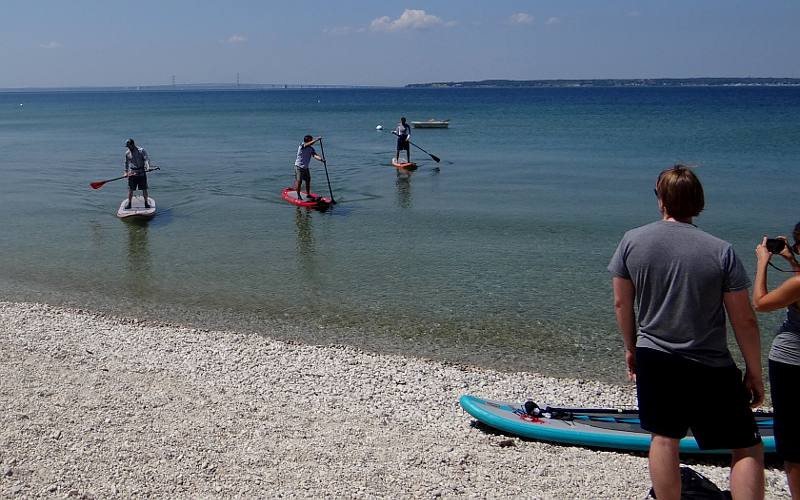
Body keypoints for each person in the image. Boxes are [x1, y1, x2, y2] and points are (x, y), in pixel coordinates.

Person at [608, 165, 765, 500]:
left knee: (664, 438)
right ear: (698, 201)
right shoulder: (720, 250)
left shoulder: (632, 242)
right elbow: (745, 320)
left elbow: (622, 304)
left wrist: (631, 347)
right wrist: (754, 371)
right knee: (746, 446)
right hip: (710, 363)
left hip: (655, 356)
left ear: (661, 200)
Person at [753, 227, 800, 499]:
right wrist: (791, 262)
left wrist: (763, 262)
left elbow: (760, 303)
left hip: (791, 363)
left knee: (794, 444)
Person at [294, 135, 324, 201]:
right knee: (299, 181)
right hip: (299, 167)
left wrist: (321, 160)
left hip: (305, 167)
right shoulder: (302, 145)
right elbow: (307, 144)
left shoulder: (311, 149)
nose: (312, 142)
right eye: (311, 140)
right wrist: (317, 139)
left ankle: (308, 194)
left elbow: (315, 155)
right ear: (308, 141)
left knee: (308, 180)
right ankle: (298, 196)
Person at [124, 138, 150, 209]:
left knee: (144, 189)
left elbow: (146, 159)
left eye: (129, 146)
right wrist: (126, 172)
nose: (128, 148)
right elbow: (126, 163)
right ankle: (129, 204)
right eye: (127, 146)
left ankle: (146, 203)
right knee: (130, 189)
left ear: (133, 144)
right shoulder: (127, 153)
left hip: (141, 173)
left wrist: (148, 167)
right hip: (132, 173)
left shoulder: (141, 151)